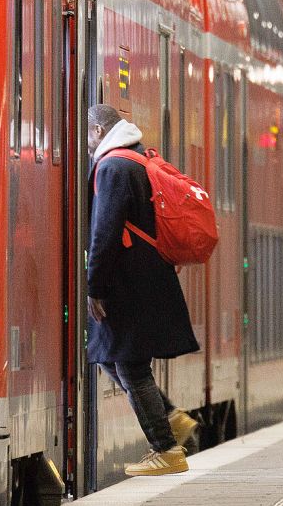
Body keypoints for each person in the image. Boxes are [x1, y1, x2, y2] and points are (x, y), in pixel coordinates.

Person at [86, 104, 200, 476]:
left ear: (99, 131)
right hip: (144, 276)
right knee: (107, 355)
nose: (87, 146)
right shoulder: (135, 159)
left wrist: (95, 286)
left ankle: (166, 449)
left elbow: (104, 232)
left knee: (130, 364)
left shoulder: (113, 167)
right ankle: (169, 419)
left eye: (88, 135)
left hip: (127, 282)